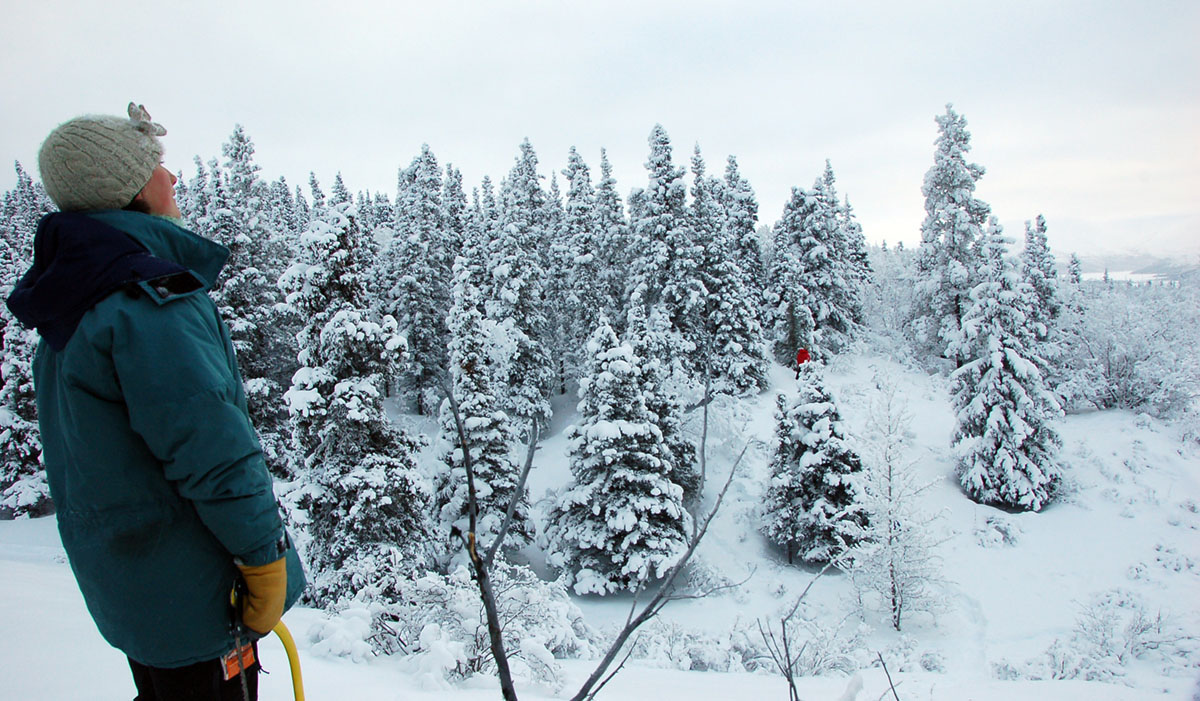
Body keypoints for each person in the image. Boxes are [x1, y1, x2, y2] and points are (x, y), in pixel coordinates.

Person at [6, 103, 305, 701]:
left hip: (140, 599)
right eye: (159, 166)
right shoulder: (146, 303)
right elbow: (212, 448)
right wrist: (263, 559)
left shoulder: (71, 309)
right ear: (130, 190)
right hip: (198, 601)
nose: (173, 178)